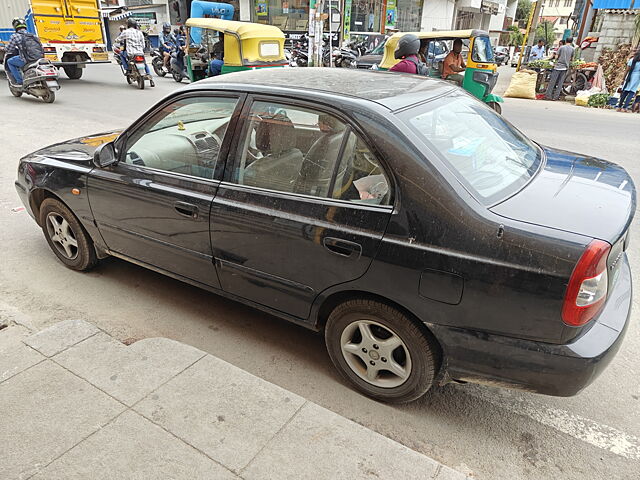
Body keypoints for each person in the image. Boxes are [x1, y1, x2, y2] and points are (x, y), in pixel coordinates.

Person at [4, 17, 43, 86]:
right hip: (38, 58)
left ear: (15, 26)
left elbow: (9, 49)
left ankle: (20, 81)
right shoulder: (33, 35)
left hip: (26, 59)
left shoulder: (15, 36)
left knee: (10, 61)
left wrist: (3, 48)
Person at [545, 37, 574, 101]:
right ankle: (556, 97)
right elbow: (572, 59)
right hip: (565, 68)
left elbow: (556, 56)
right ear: (572, 41)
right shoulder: (572, 49)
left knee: (552, 82)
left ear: (566, 41)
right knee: (560, 83)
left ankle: (548, 96)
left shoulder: (562, 47)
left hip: (558, 67)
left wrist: (555, 60)